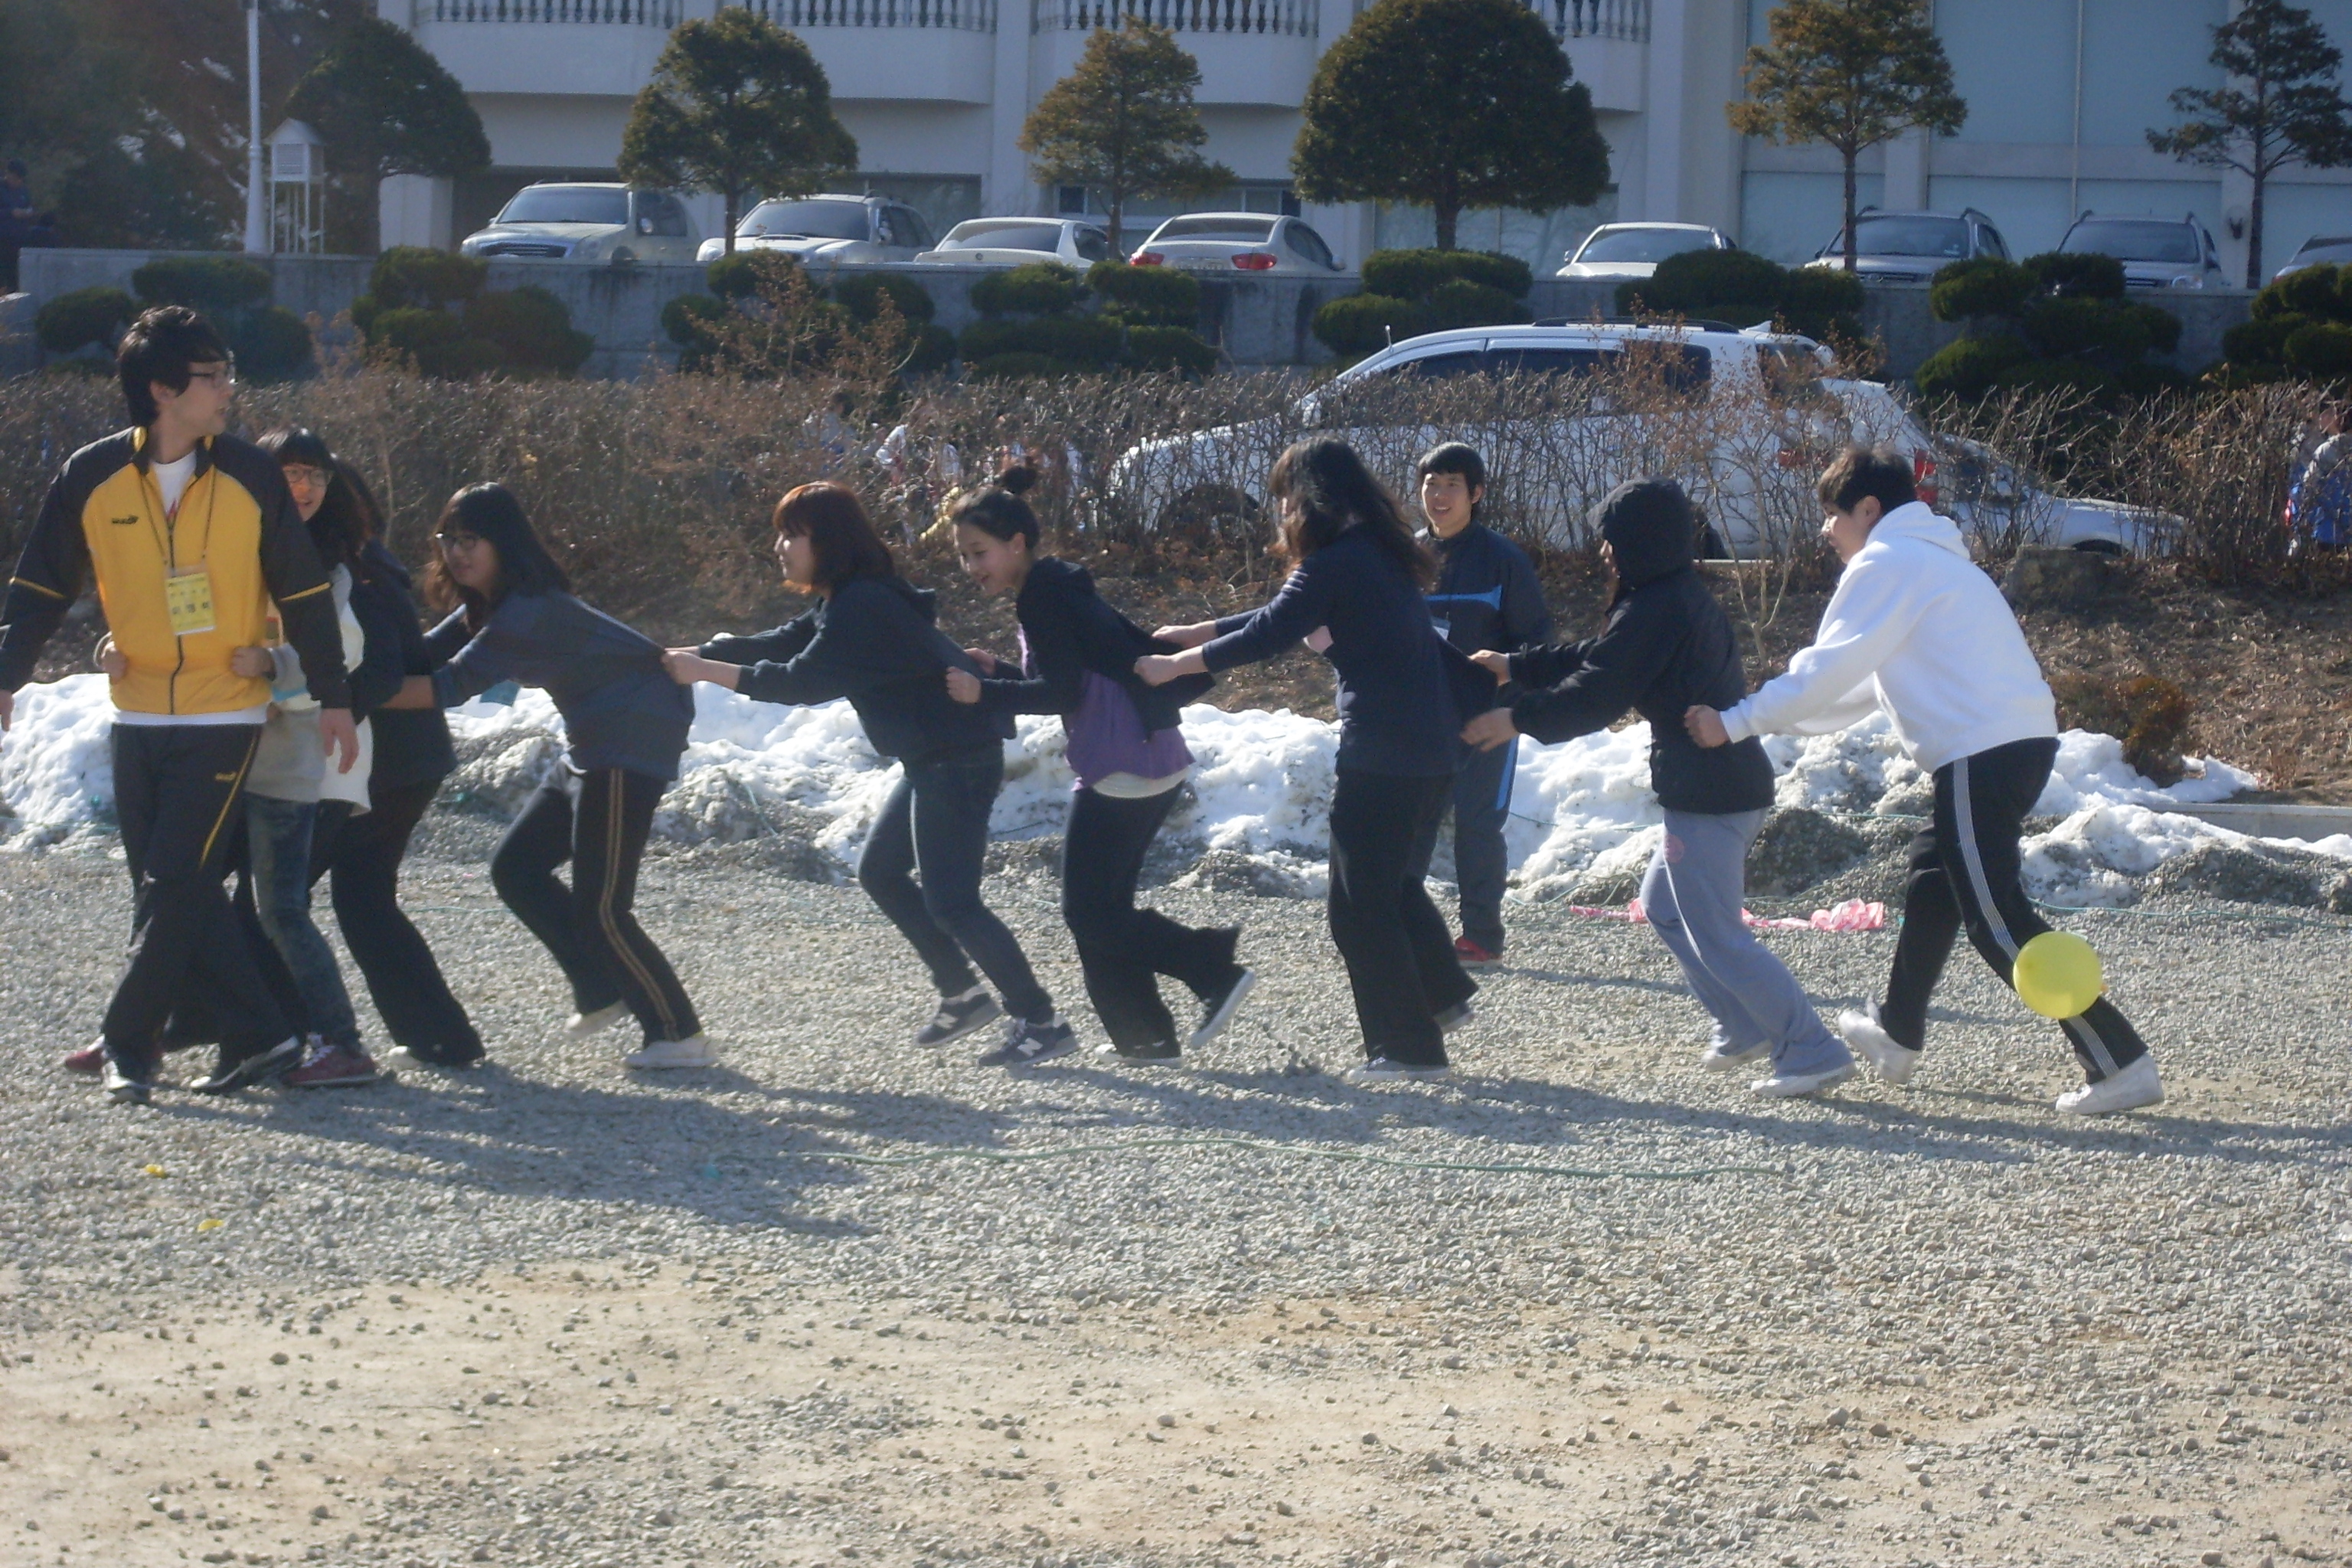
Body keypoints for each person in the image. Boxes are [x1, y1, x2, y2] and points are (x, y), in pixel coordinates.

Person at [1684, 446, 2164, 1116]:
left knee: (1996, 919)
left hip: (1981, 753)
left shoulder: (1887, 562)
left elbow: (1826, 670)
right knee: (1933, 877)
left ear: (1868, 510)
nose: (1826, 530)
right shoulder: (1934, 560)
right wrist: (1758, 720)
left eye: (1832, 514)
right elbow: (1853, 688)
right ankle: (1896, 1030)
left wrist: (1734, 722)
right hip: (2009, 747)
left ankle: (2119, 1060)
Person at [0, 305, 357, 1105]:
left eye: (228, 373)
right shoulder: (90, 474)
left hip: (224, 714)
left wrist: (333, 695)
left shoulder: (250, 473)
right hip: (135, 713)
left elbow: (303, 591)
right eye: (212, 375)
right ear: (163, 390)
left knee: (173, 881)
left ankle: (130, 1044)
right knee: (166, 887)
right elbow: (41, 582)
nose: (229, 389)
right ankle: (262, 1033)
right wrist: (7, 672)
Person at [1462, 479, 1855, 1098]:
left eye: (1612, 539)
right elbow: (1603, 657)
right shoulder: (1666, 598)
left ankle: (1811, 1048)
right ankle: (1743, 1025)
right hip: (1714, 785)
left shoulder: (1656, 608)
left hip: (1710, 793)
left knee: (1718, 934)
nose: (1604, 551)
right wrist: (1519, 665)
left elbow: (1598, 693)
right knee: (1667, 907)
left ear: (1640, 542)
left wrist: (1517, 718)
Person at [663, 482, 1078, 1067]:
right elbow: (782, 643)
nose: (780, 547)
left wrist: (703, 670)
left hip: (957, 758)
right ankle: (962, 994)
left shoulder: (862, 605)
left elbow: (802, 681)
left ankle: (1041, 1021)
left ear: (828, 541)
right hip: (935, 756)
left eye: (791, 535)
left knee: (954, 903)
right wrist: (699, 652)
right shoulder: (847, 598)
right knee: (881, 871)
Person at [1138, 438, 1489, 1083]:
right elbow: (1284, 613)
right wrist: (1200, 633)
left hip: (1385, 752)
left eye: (1283, 498)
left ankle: (1408, 1049)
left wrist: (1176, 665)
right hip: (1432, 747)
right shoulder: (1374, 551)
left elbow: (1272, 631)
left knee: (1357, 908)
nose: (1280, 512)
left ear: (1308, 499)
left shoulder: (1335, 562)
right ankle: (1439, 998)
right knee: (1392, 887)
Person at [377, 483, 710, 1071]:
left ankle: (678, 1032)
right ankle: (601, 987)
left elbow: (448, 687)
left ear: (503, 544)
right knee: (517, 869)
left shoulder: (525, 610)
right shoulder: (493, 603)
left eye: (472, 540)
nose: (457, 552)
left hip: (631, 737)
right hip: (591, 741)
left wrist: (346, 697)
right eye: (449, 539)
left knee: (602, 906)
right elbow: (425, 656)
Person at [946, 465, 1256, 1065]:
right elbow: (1072, 678)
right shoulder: (1054, 587)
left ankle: (1211, 967)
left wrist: (984, 693)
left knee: (1087, 912)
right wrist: (1000, 674)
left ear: (1017, 543)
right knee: (1101, 911)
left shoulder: (1043, 597)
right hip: (1144, 748)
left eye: (978, 552)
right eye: (963, 555)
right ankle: (1144, 1039)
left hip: (1124, 759)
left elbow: (1060, 693)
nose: (971, 566)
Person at [309, 459, 485, 1069]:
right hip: (401, 758)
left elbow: (384, 671)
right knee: (362, 899)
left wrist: (325, 703)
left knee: (280, 901)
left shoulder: (355, 575)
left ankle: (282, 1033)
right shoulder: (372, 564)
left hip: (385, 761)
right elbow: (411, 654)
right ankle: (441, 1037)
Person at [1411, 442, 1549, 971]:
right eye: (1431, 484)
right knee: (1413, 823)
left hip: (1488, 716)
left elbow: (1538, 641)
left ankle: (1482, 937)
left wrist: (1510, 684)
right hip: (1423, 718)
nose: (1439, 495)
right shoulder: (1408, 555)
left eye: (1452, 484)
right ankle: (1404, 927)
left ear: (1476, 493)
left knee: (1476, 824)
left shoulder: (1502, 559)